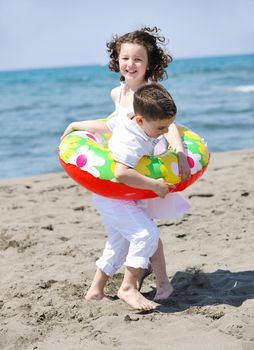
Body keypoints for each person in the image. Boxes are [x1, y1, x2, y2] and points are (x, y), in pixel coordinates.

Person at [61, 27, 191, 309]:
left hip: (147, 165)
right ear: (116, 60)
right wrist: (76, 124)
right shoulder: (117, 93)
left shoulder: (151, 92)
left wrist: (179, 151)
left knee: (141, 229)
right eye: (125, 58)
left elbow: (168, 127)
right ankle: (160, 282)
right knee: (140, 231)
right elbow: (111, 125)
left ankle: (159, 282)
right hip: (126, 166)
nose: (130, 64)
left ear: (150, 63)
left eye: (138, 59)